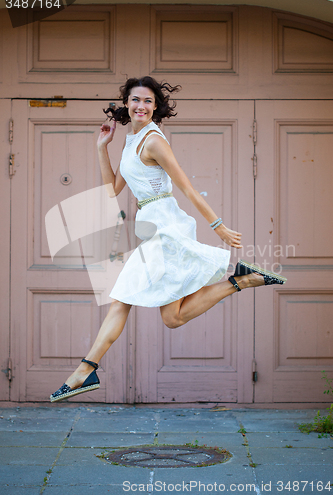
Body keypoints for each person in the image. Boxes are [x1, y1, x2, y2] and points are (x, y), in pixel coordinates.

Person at [50, 76, 286, 402]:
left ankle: (85, 369)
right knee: (168, 316)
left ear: (156, 106)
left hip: (165, 228)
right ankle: (241, 280)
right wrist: (101, 148)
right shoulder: (131, 140)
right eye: (135, 100)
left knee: (124, 297)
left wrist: (217, 225)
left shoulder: (153, 140)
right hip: (152, 226)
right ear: (126, 104)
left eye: (148, 101)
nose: (141, 106)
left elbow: (186, 186)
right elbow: (111, 191)